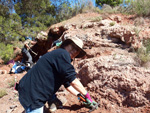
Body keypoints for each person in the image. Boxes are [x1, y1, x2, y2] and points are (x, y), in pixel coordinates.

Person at [17, 37, 98, 113]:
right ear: (66, 45)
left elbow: (68, 85)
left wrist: (81, 97)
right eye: (73, 47)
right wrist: (87, 96)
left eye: (77, 50)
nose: (74, 51)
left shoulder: (59, 57)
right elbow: (73, 81)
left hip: (26, 90)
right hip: (33, 96)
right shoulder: (62, 54)